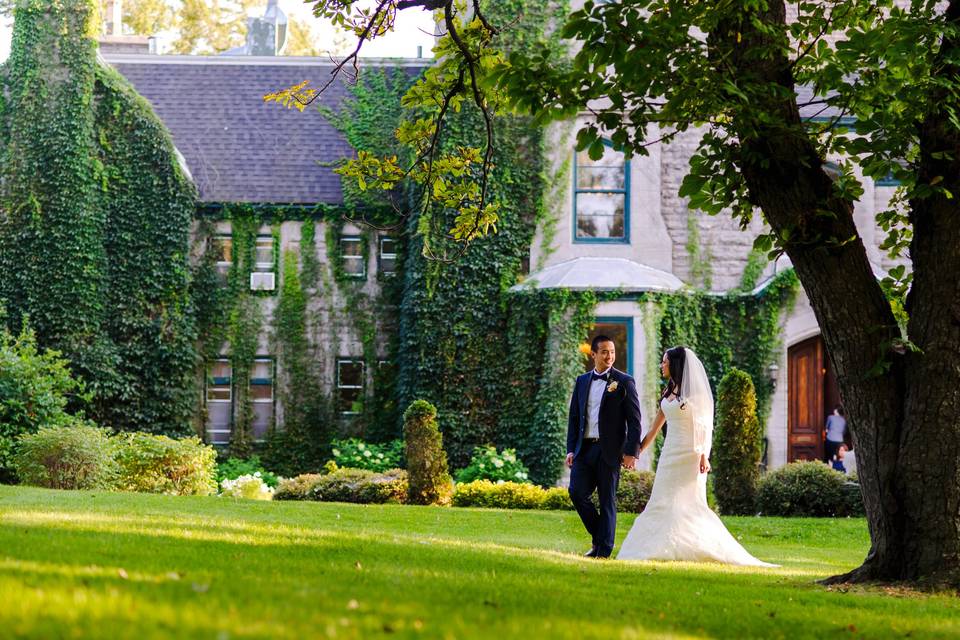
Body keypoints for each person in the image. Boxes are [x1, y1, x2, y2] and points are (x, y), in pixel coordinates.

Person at [617, 347, 777, 566]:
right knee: (661, 499)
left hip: (691, 454)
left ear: (675, 364)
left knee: (690, 503)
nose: (661, 365)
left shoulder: (695, 395)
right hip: (669, 454)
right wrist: (635, 453)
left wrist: (703, 455)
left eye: (664, 362)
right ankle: (658, 545)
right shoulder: (668, 392)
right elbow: (654, 429)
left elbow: (704, 426)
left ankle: (701, 545)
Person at [566, 335, 642, 559]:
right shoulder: (581, 381)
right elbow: (574, 418)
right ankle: (601, 538)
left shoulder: (624, 381)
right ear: (593, 355)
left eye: (612, 352)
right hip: (584, 449)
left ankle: (603, 550)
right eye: (604, 352)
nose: (610, 356)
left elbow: (635, 420)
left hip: (610, 450)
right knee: (577, 492)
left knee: (607, 499)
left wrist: (631, 452)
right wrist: (571, 449)